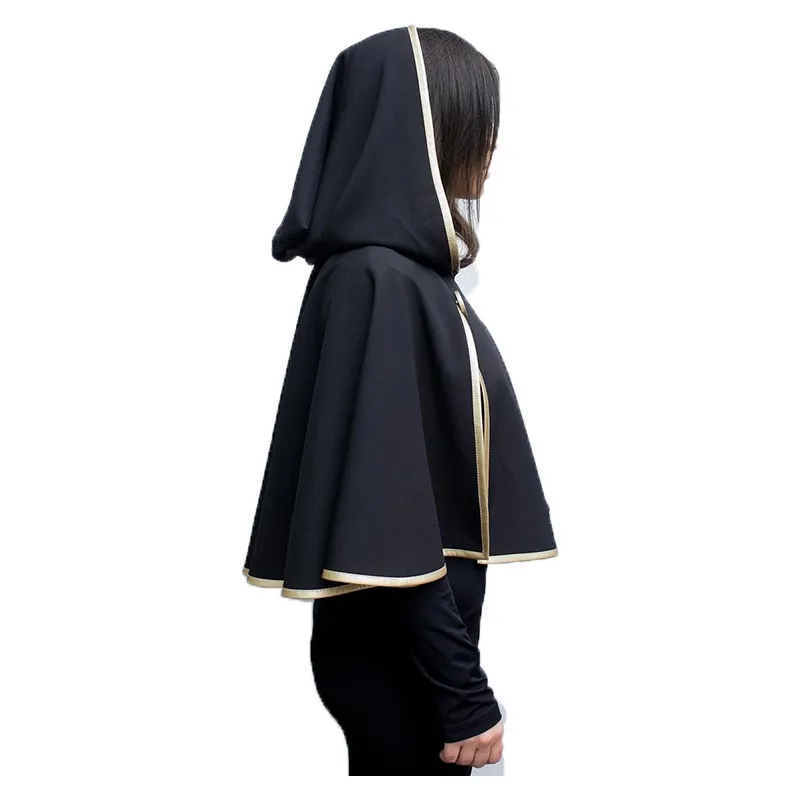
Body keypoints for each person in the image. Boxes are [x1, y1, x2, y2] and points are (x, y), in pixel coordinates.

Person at [242, 25, 558, 776]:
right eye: (476, 120)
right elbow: (390, 517)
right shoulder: (377, 280)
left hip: (407, 659)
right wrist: (462, 693)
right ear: (421, 128)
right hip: (401, 669)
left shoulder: (407, 279)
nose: (491, 143)